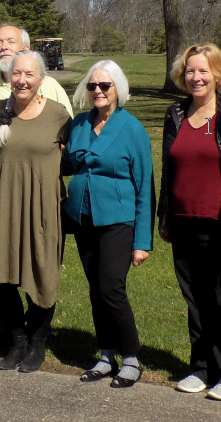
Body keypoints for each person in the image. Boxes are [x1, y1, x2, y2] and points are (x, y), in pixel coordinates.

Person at [157, 43, 221, 400]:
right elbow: (168, 168)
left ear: (218, 74)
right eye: (190, 71)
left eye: (203, 70)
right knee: (195, 299)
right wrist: (165, 216)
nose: (196, 77)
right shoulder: (176, 112)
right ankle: (201, 367)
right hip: (183, 221)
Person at [0, 24, 73, 340]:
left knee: (41, 266)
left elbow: (74, 152)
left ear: (41, 79)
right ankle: (16, 338)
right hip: (3, 200)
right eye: (17, 74)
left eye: (29, 74)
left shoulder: (58, 113)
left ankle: (38, 338)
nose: (22, 80)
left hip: (41, 201)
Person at [66, 60, 154, 388]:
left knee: (111, 288)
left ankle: (131, 357)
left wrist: (142, 242)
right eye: (92, 86)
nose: (98, 91)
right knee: (95, 288)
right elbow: (67, 162)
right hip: (84, 217)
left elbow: (145, 186)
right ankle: (106, 355)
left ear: (118, 88)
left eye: (105, 85)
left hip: (118, 219)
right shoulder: (79, 124)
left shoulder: (131, 129)